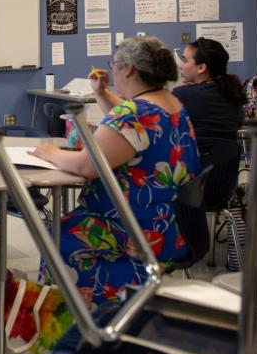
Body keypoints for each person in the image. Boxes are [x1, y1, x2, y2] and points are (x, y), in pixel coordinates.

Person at [32, 37, 201, 307]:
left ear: (129, 69)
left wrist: (49, 152)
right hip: (171, 225)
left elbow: (86, 166)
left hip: (134, 228)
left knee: (57, 237)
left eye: (114, 64)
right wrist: (101, 93)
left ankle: (74, 313)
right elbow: (132, 132)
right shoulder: (172, 104)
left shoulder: (133, 113)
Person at [173, 37, 245, 142]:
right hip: (227, 158)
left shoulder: (181, 94)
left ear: (201, 67)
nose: (181, 66)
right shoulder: (232, 92)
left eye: (185, 60)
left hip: (193, 157)